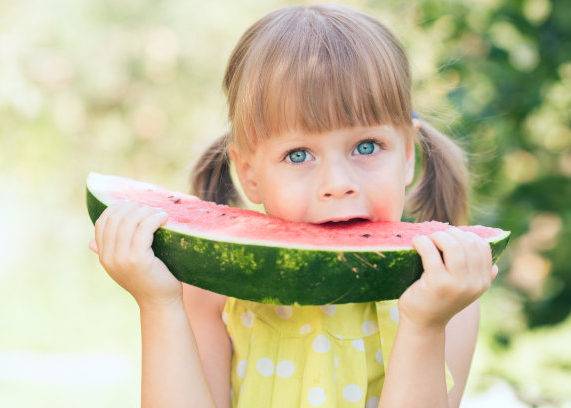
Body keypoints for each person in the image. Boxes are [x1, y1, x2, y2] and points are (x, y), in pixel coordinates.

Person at [89, 4, 498, 407]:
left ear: (408, 154)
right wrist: (159, 303)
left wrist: (425, 325)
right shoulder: (213, 292)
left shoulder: (448, 296)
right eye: (299, 154)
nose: (338, 185)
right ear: (249, 174)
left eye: (367, 146)